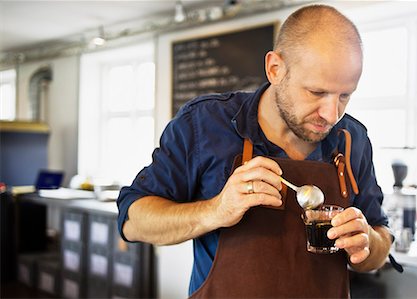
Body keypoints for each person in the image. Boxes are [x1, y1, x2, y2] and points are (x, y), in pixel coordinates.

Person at [117, 4, 392, 298]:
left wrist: (369, 244)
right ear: (275, 69)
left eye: (344, 96)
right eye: (316, 92)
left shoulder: (353, 139)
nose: (331, 114)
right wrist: (216, 211)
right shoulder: (205, 124)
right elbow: (133, 221)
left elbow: (381, 240)